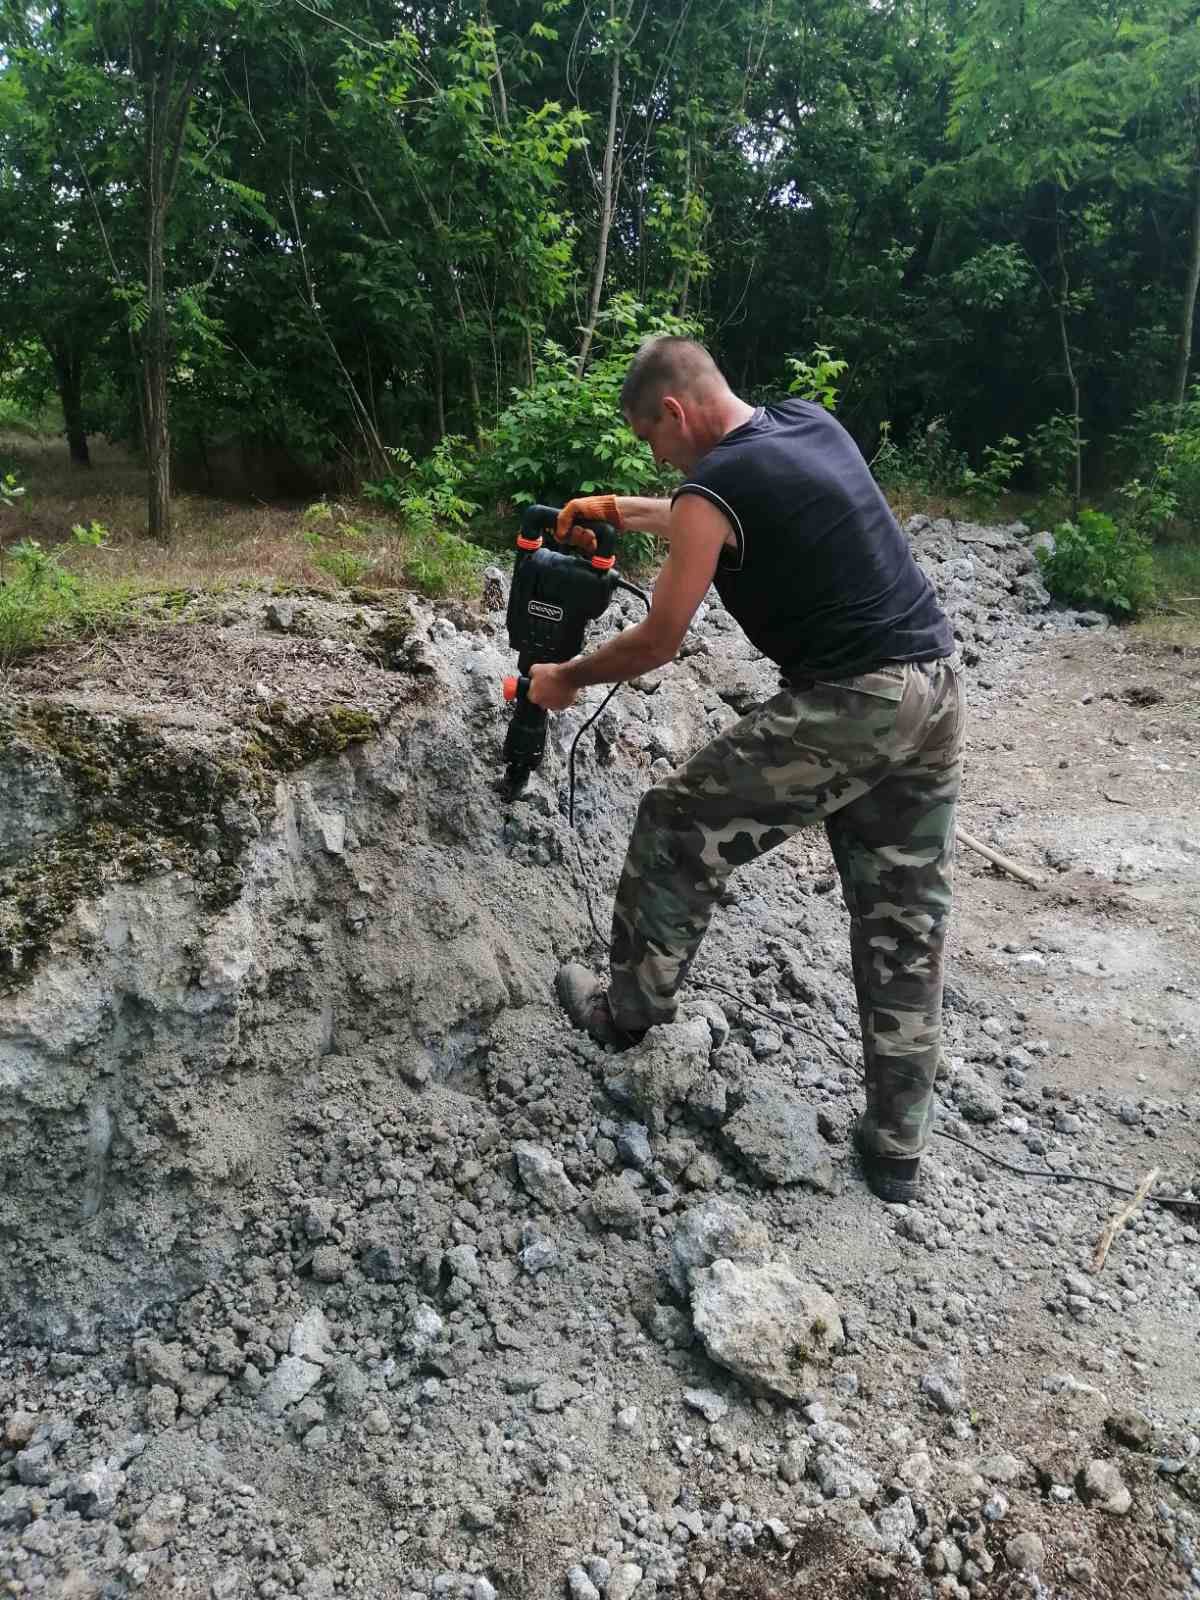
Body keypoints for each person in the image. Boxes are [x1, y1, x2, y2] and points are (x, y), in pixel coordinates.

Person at [527, 337, 963, 1203]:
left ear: (676, 413)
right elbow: (710, 511)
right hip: (936, 688)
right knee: (903, 920)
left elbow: (660, 638)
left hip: (856, 701)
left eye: (651, 440)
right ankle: (895, 1151)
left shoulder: (713, 487)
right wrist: (618, 506)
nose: (655, 457)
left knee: (676, 823)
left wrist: (565, 679)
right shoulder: (806, 425)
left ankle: (626, 1016)